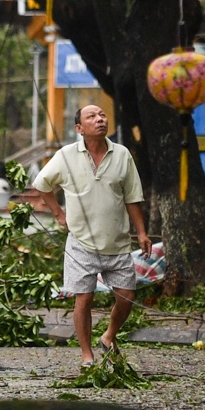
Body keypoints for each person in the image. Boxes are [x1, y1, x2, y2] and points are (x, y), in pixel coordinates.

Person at [23, 102, 153, 368]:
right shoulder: (66, 155)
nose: (100, 119)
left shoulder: (122, 154)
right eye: (92, 116)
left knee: (127, 296)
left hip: (117, 241)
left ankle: (108, 336)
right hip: (81, 242)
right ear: (79, 128)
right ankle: (87, 356)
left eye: (102, 115)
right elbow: (42, 185)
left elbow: (133, 198)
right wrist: (59, 214)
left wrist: (141, 233)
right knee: (85, 298)